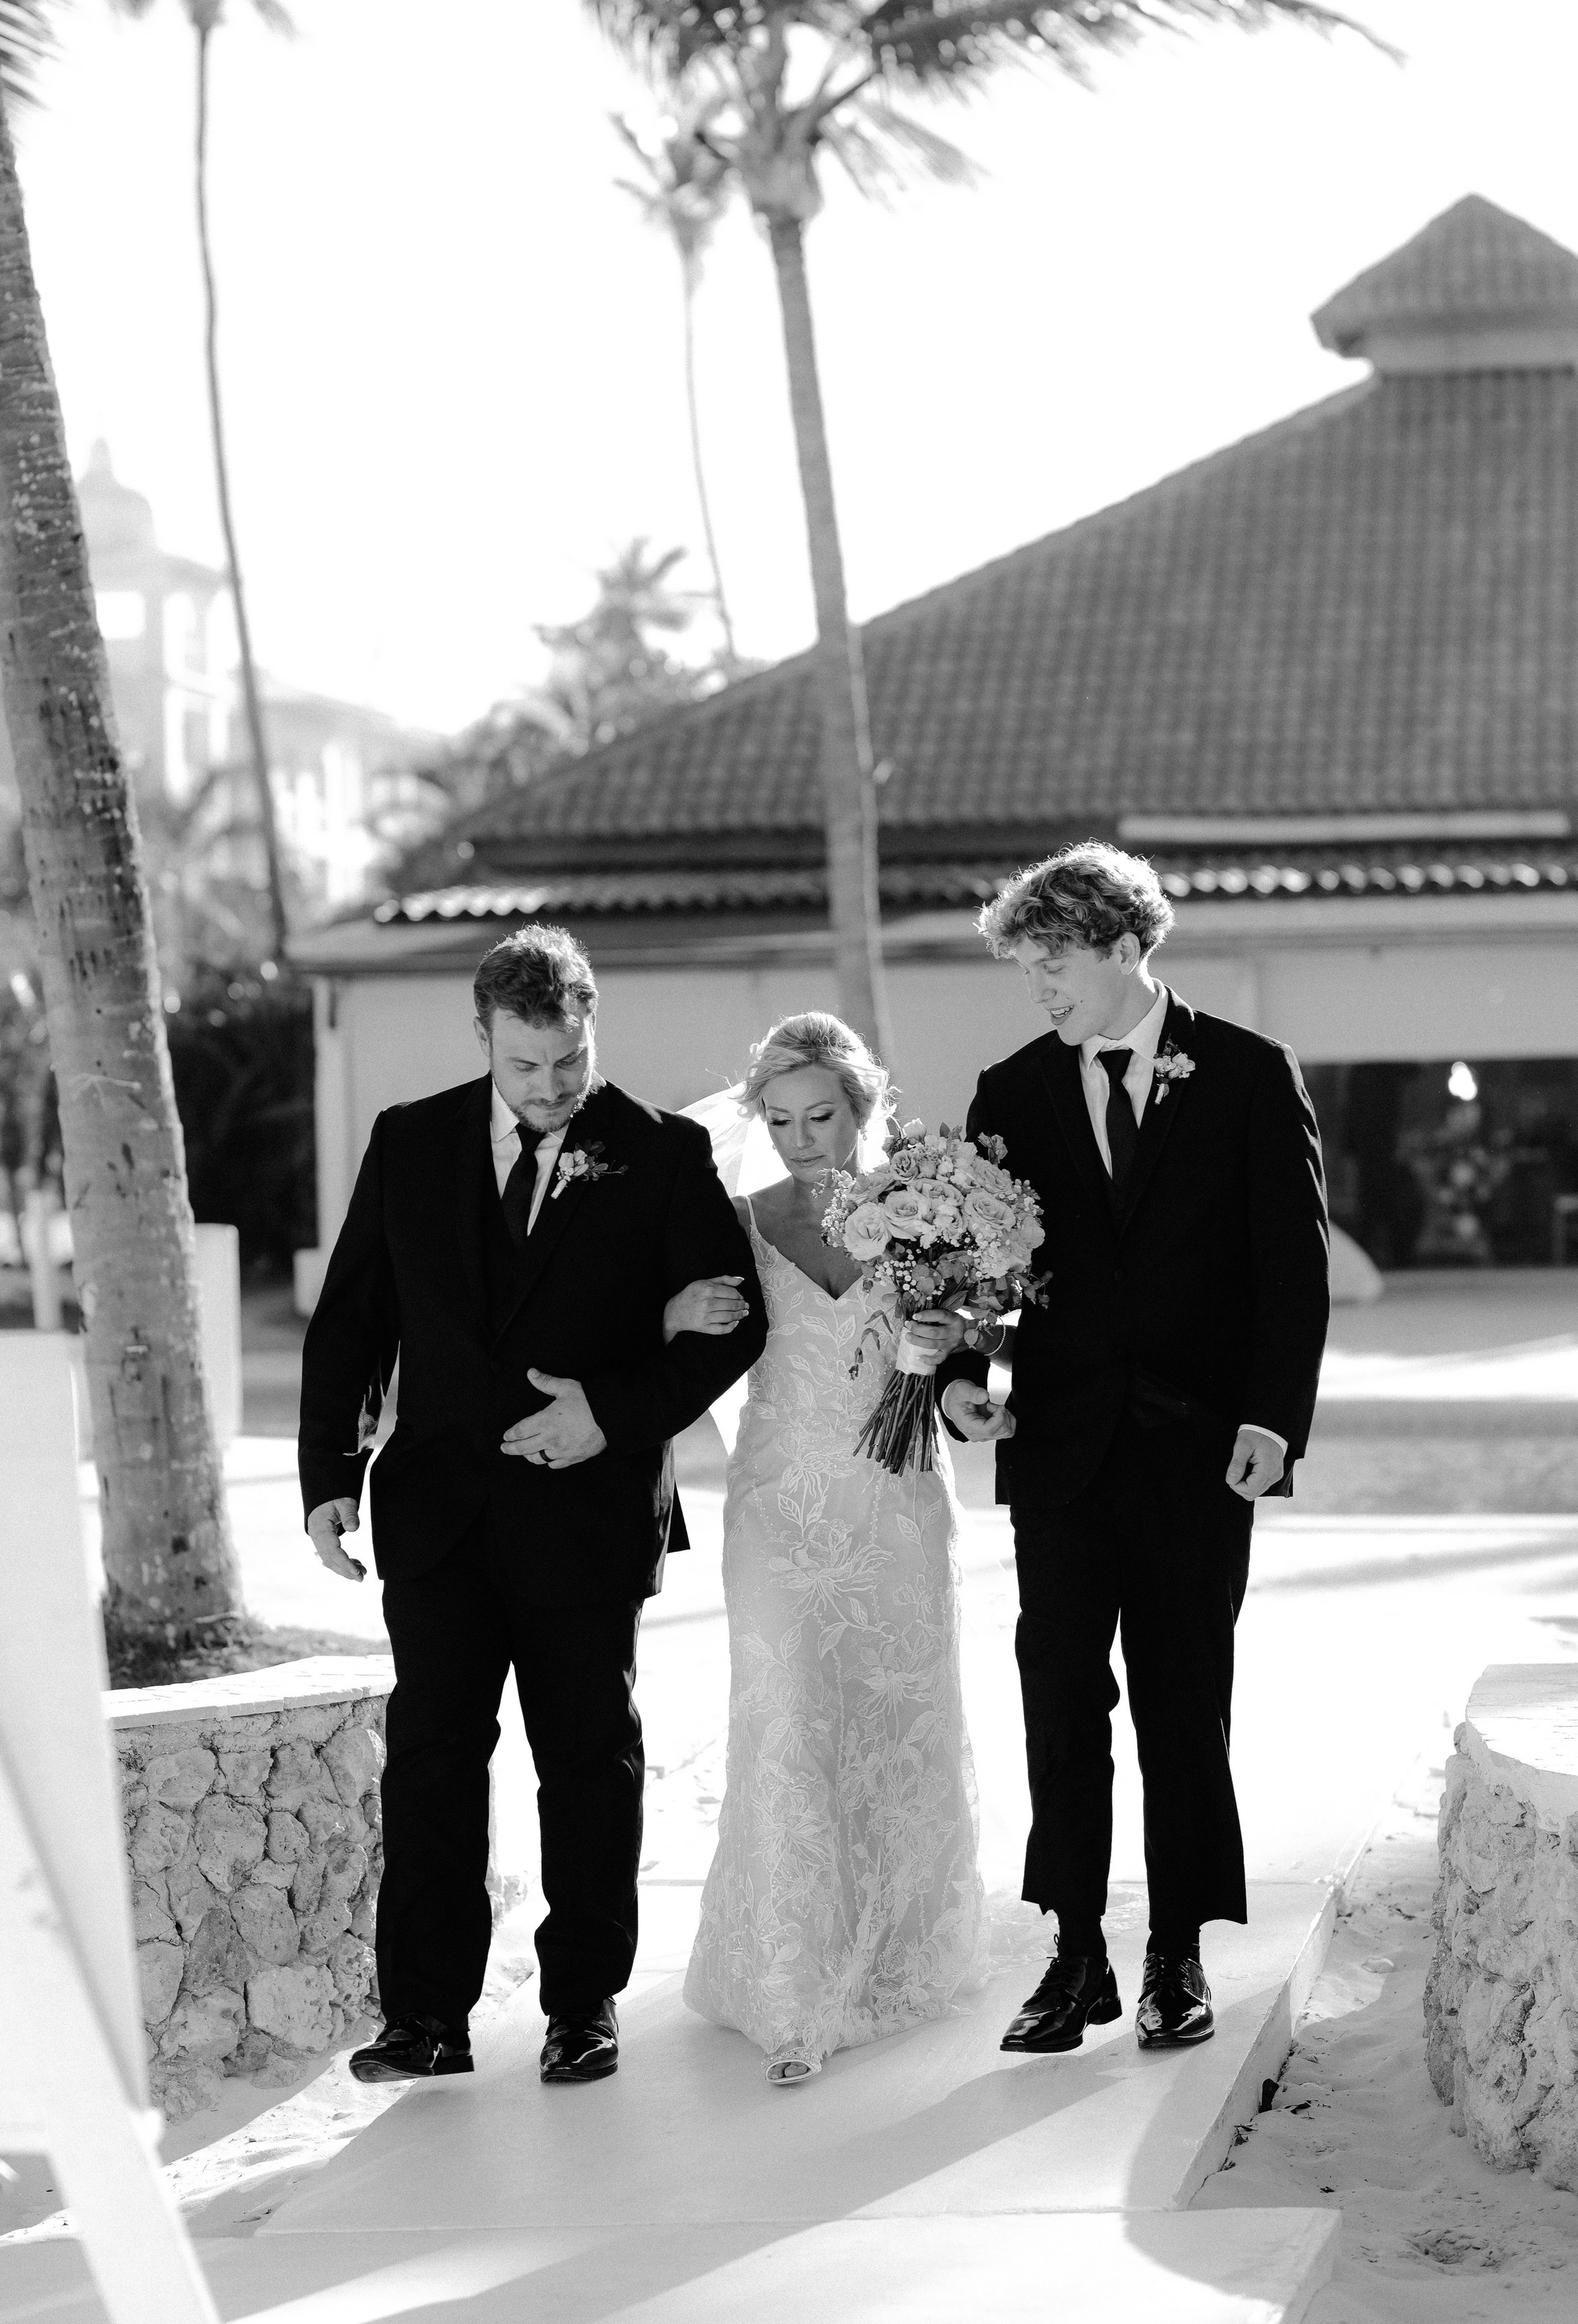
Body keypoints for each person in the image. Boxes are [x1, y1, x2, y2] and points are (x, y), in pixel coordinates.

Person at [298, 925, 767, 2089]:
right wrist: (327, 1480)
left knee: (588, 1758)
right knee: (433, 1760)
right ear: (485, 1039)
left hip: (588, 1509)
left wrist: (608, 1411)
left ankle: (584, 2003)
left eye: (570, 1062)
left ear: (589, 1029)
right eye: (528, 1068)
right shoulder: (409, 1143)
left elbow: (737, 1319)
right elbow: (354, 1319)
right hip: (439, 1513)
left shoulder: (663, 1153)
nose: (554, 1089)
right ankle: (424, 2016)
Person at [935, 844, 1329, 2059]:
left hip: (1201, 1453)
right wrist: (962, 1383)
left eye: (1053, 963)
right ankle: (1071, 1957)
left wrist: (1273, 1418)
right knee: (1060, 1699)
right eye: (1027, 967)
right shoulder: (1011, 1091)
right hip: (1056, 1452)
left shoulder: (1253, 1077)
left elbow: (1291, 1269)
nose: (1039, 988)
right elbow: (973, 1271)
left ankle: (1177, 1954)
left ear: (1122, 945)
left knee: (1180, 1704)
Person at [678, 1012, 988, 2086]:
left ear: (863, 1110)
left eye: (822, 1116)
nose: (804, 1139)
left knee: (896, 1716)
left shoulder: (930, 1214)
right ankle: (789, 1979)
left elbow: (970, 1348)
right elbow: (669, 1335)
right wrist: (676, 1307)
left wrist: (960, 1352)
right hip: (776, 1503)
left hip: (895, 1500)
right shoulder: (736, 1219)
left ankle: (900, 1950)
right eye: (781, 1120)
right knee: (789, 1716)